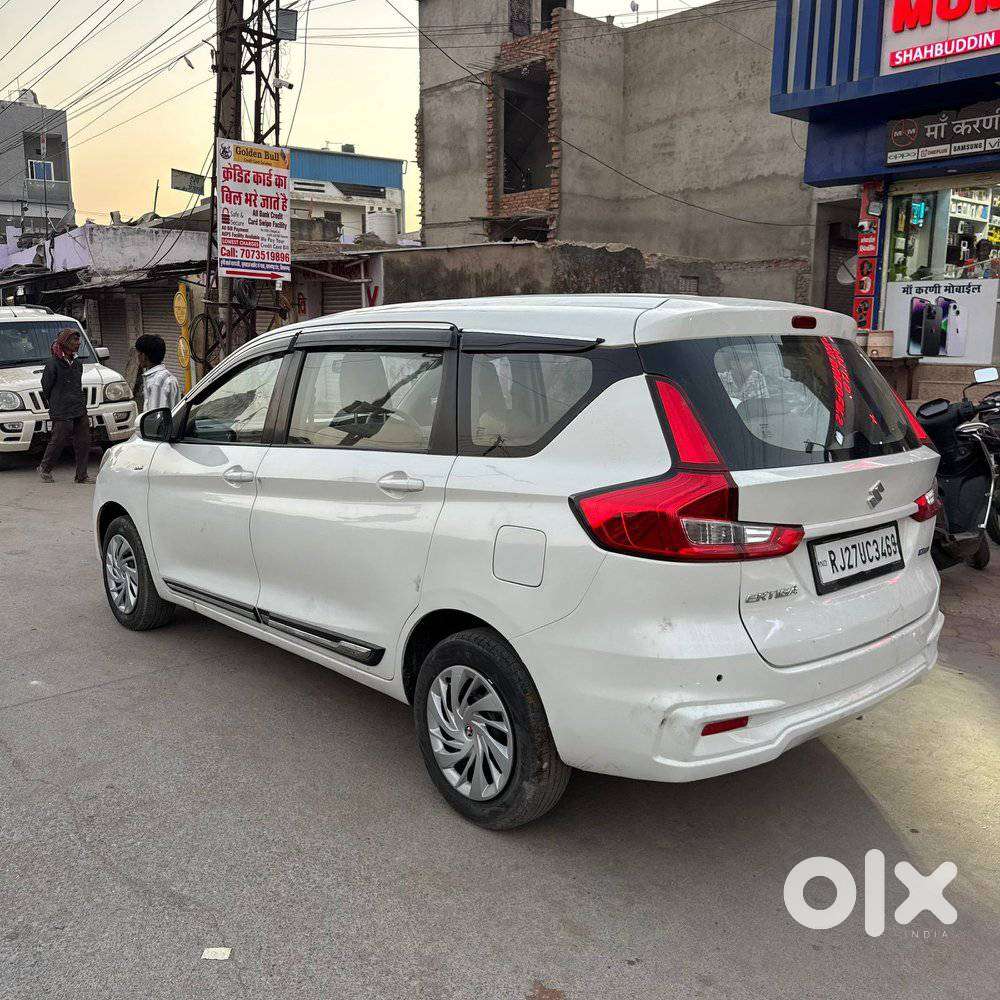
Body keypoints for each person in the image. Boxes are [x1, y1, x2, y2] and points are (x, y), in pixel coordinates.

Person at [38, 328, 92, 484]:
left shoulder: (77, 364)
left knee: (83, 441)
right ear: (65, 343)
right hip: (61, 409)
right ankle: (45, 468)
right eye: (74, 340)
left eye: (78, 339)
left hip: (78, 407)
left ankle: (81, 476)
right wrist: (56, 403)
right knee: (59, 439)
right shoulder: (53, 364)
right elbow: (46, 387)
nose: (78, 343)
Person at [134, 334, 180, 413]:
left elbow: (155, 417)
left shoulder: (157, 381)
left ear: (143, 356)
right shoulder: (169, 377)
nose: (138, 357)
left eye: (138, 353)